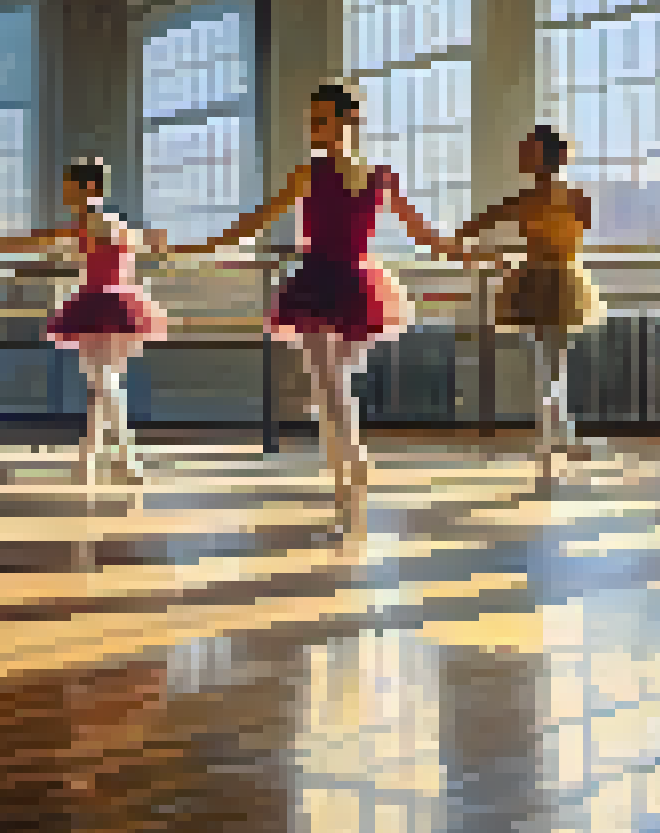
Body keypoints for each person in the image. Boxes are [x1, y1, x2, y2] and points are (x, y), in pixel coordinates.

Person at [174, 82, 466, 533]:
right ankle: (349, 484)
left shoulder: (318, 173)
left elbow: (259, 219)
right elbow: (428, 237)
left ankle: (350, 485)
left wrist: (205, 243)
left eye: (322, 120)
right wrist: (207, 243)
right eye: (312, 121)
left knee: (330, 392)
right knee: (332, 390)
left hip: (326, 281)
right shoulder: (369, 175)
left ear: (348, 121)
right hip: (353, 282)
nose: (313, 130)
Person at [0, 159, 171, 485]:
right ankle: (92, 457)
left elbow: (46, 240)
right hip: (107, 301)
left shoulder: (96, 220)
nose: (65, 194)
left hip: (106, 302)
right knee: (101, 382)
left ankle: (123, 458)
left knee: (103, 381)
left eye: (70, 188)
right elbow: (137, 242)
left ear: (89, 189)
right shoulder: (102, 221)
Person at [453, 124, 603, 468]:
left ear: (544, 157)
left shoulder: (531, 200)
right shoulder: (575, 198)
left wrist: (495, 258)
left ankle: (555, 439)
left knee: (549, 366)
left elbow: (467, 231)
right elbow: (470, 230)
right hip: (558, 281)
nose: (522, 154)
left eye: (528, 150)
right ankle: (558, 438)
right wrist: (498, 258)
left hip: (541, 281)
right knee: (552, 365)